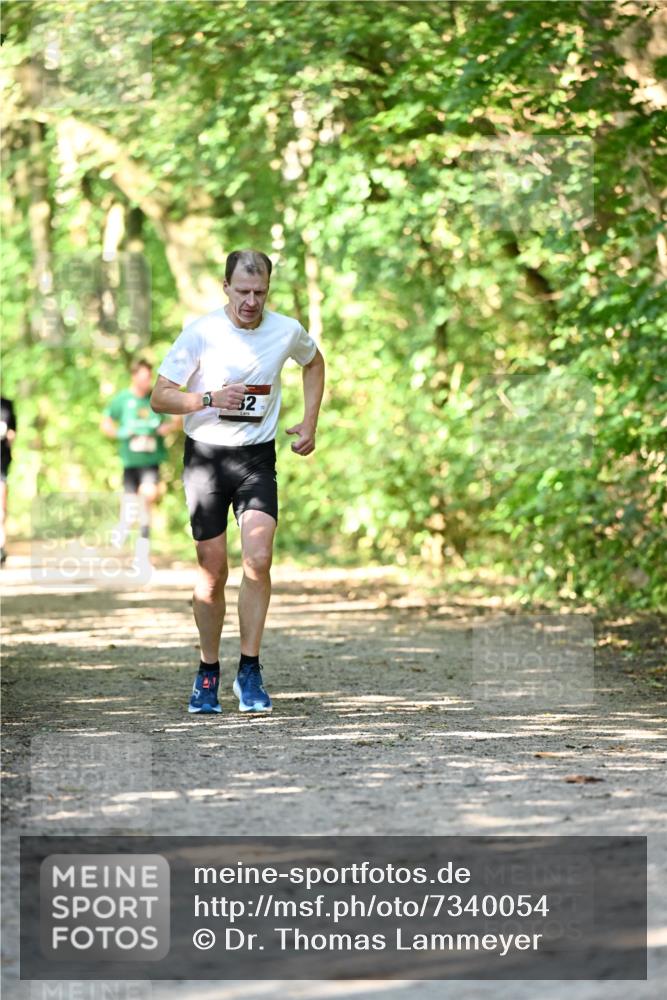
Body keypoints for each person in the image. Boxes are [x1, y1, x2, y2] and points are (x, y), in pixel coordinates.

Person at [150, 249, 325, 715]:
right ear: (225, 286)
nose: (251, 301)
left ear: (269, 289)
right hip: (206, 458)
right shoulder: (201, 333)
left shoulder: (285, 330)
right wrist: (209, 397)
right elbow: (160, 397)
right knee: (212, 573)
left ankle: (250, 669)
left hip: (256, 458)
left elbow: (314, 362)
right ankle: (208, 670)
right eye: (243, 291)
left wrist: (310, 421)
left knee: (259, 558)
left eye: (260, 292)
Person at [101, 359, 180, 547]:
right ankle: (123, 532)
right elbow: (105, 423)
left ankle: (143, 542)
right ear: (134, 377)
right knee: (129, 506)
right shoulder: (123, 399)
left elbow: (177, 420)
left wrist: (165, 428)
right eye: (144, 377)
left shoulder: (155, 398)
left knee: (147, 497)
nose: (147, 381)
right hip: (130, 462)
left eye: (149, 377)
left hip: (151, 461)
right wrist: (121, 433)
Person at [0, 396, 17, 566]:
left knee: (1, 508)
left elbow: (13, 433)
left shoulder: (6, 405)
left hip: (1, 462)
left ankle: (1, 547)